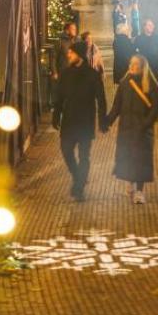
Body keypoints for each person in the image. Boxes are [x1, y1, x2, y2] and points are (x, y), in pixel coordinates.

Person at [52, 42, 107, 201]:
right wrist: (56, 114)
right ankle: (78, 178)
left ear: (79, 54)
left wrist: (102, 120)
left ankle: (79, 187)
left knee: (84, 155)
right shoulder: (66, 73)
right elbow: (60, 96)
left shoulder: (92, 74)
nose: (68, 55)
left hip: (85, 120)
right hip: (69, 119)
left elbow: (101, 99)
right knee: (66, 149)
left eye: (71, 53)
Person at [106, 55, 158, 204]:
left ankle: (140, 191)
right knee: (128, 157)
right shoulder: (125, 83)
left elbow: (157, 107)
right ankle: (130, 182)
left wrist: (145, 124)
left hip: (142, 130)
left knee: (141, 159)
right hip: (126, 128)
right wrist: (107, 121)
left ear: (142, 67)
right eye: (131, 63)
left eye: (135, 64)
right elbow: (117, 106)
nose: (131, 66)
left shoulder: (149, 84)